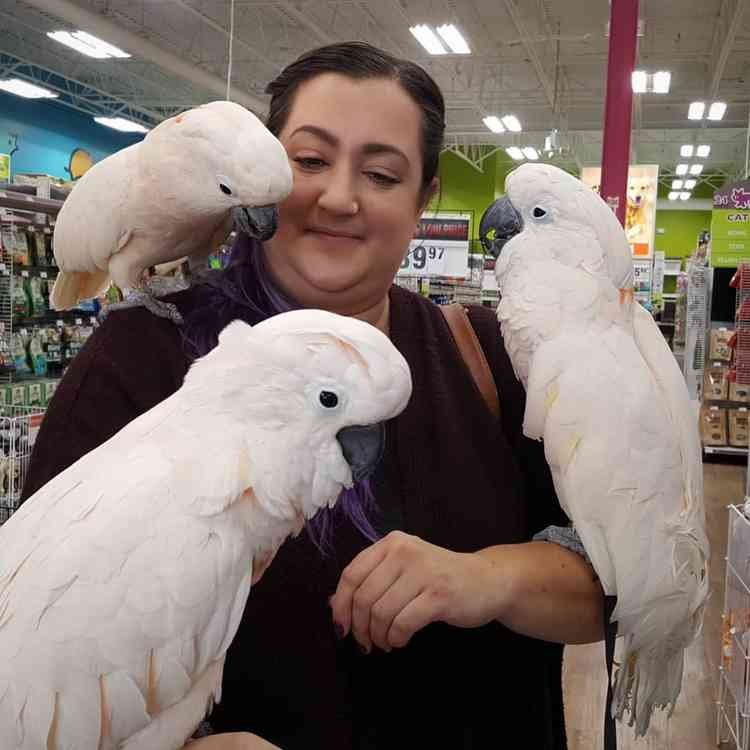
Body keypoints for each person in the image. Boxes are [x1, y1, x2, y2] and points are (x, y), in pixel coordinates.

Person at [21, 42, 604, 749]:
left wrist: (490, 578)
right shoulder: (138, 360)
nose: (338, 198)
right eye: (310, 162)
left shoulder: (495, 354)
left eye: (383, 174)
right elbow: (38, 662)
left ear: (424, 201)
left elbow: (612, 596)